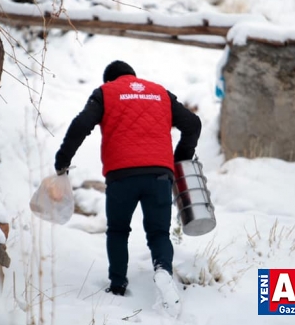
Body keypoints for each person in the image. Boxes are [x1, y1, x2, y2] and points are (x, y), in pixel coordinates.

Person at [54, 60, 201, 315]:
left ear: (109, 80)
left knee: (118, 230)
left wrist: (63, 161)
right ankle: (163, 270)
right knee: (159, 233)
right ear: (133, 75)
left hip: (121, 175)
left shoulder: (106, 92)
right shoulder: (161, 93)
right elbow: (193, 124)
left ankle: (118, 284)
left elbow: (81, 125)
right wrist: (181, 156)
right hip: (159, 174)